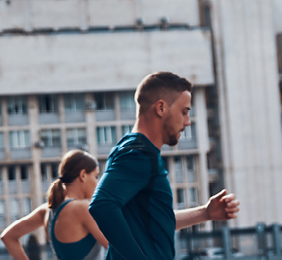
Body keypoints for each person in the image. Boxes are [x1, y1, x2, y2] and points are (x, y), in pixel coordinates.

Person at [89, 72, 241, 260]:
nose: (188, 122)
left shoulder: (134, 150)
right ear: (161, 108)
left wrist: (205, 213)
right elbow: (101, 206)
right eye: (184, 112)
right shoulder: (138, 154)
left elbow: (153, 222)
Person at [1, 150, 108, 260]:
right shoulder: (81, 208)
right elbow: (116, 247)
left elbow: (8, 236)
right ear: (83, 175)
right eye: (96, 176)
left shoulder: (47, 210)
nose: (97, 182)